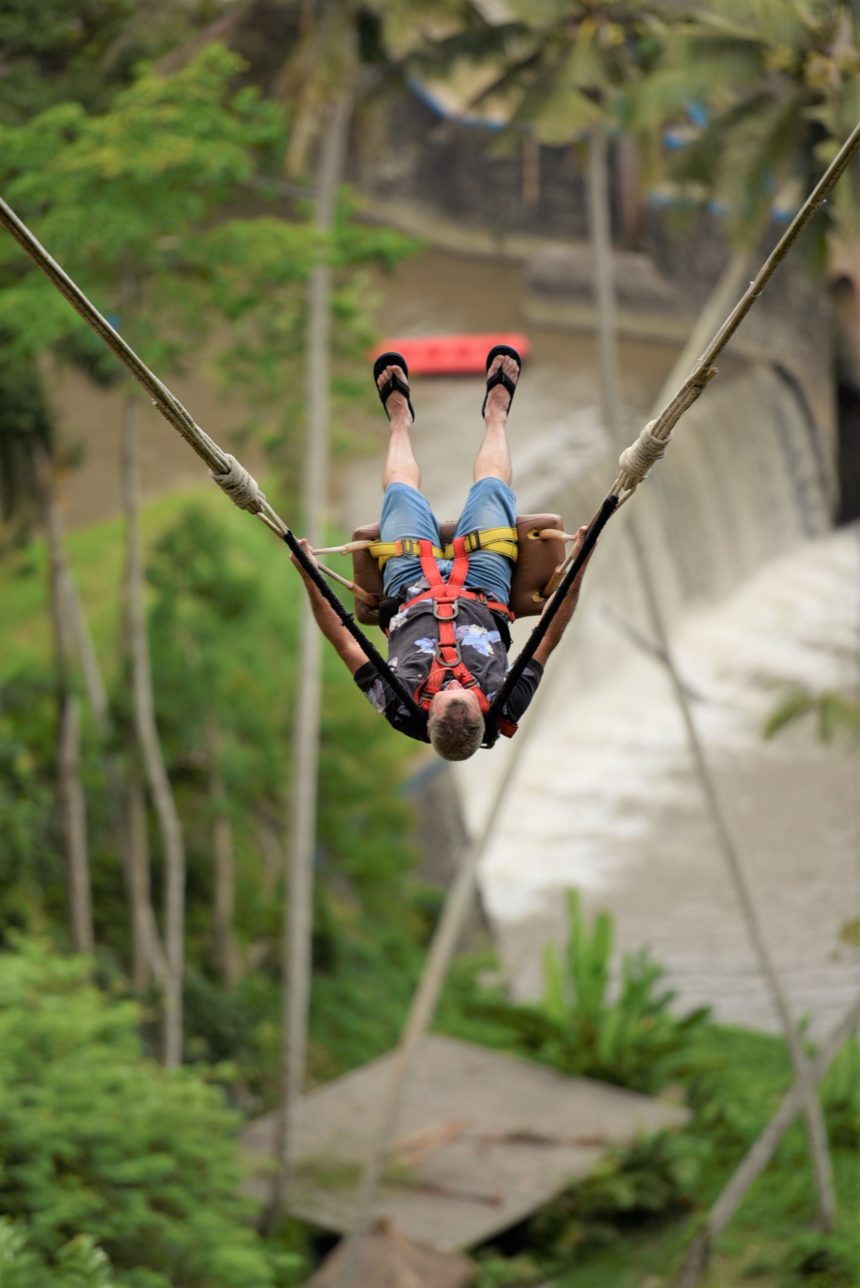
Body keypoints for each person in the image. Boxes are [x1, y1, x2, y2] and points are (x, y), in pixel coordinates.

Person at [292, 344, 590, 761]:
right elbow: (550, 633)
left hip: (409, 586)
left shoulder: (400, 708)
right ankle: (497, 413)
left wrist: (309, 576)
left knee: (399, 492)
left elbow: (344, 640)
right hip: (484, 584)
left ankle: (399, 421)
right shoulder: (506, 703)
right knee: (491, 487)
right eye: (461, 691)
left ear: (427, 717)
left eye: (443, 693)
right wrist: (580, 563)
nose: (452, 684)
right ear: (481, 712)